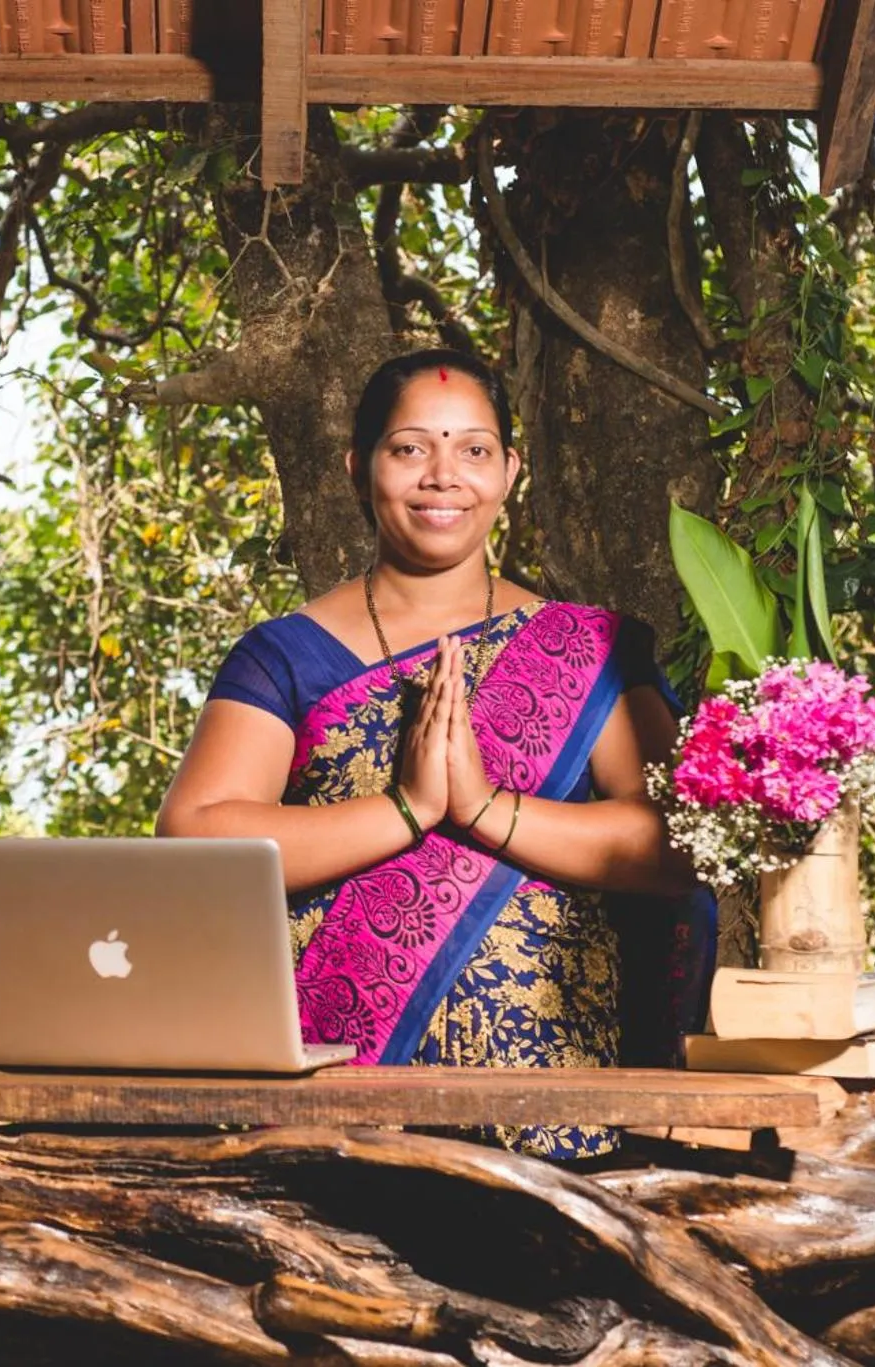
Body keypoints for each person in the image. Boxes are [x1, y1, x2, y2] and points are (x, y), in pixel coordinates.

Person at [156, 348, 712, 1159]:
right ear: (359, 468)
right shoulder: (283, 655)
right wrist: (406, 809)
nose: (443, 476)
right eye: (410, 447)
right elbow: (197, 835)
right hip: (333, 1100)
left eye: (474, 449)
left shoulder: (590, 648)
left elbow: (680, 845)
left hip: (554, 1102)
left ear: (510, 470)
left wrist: (484, 808)